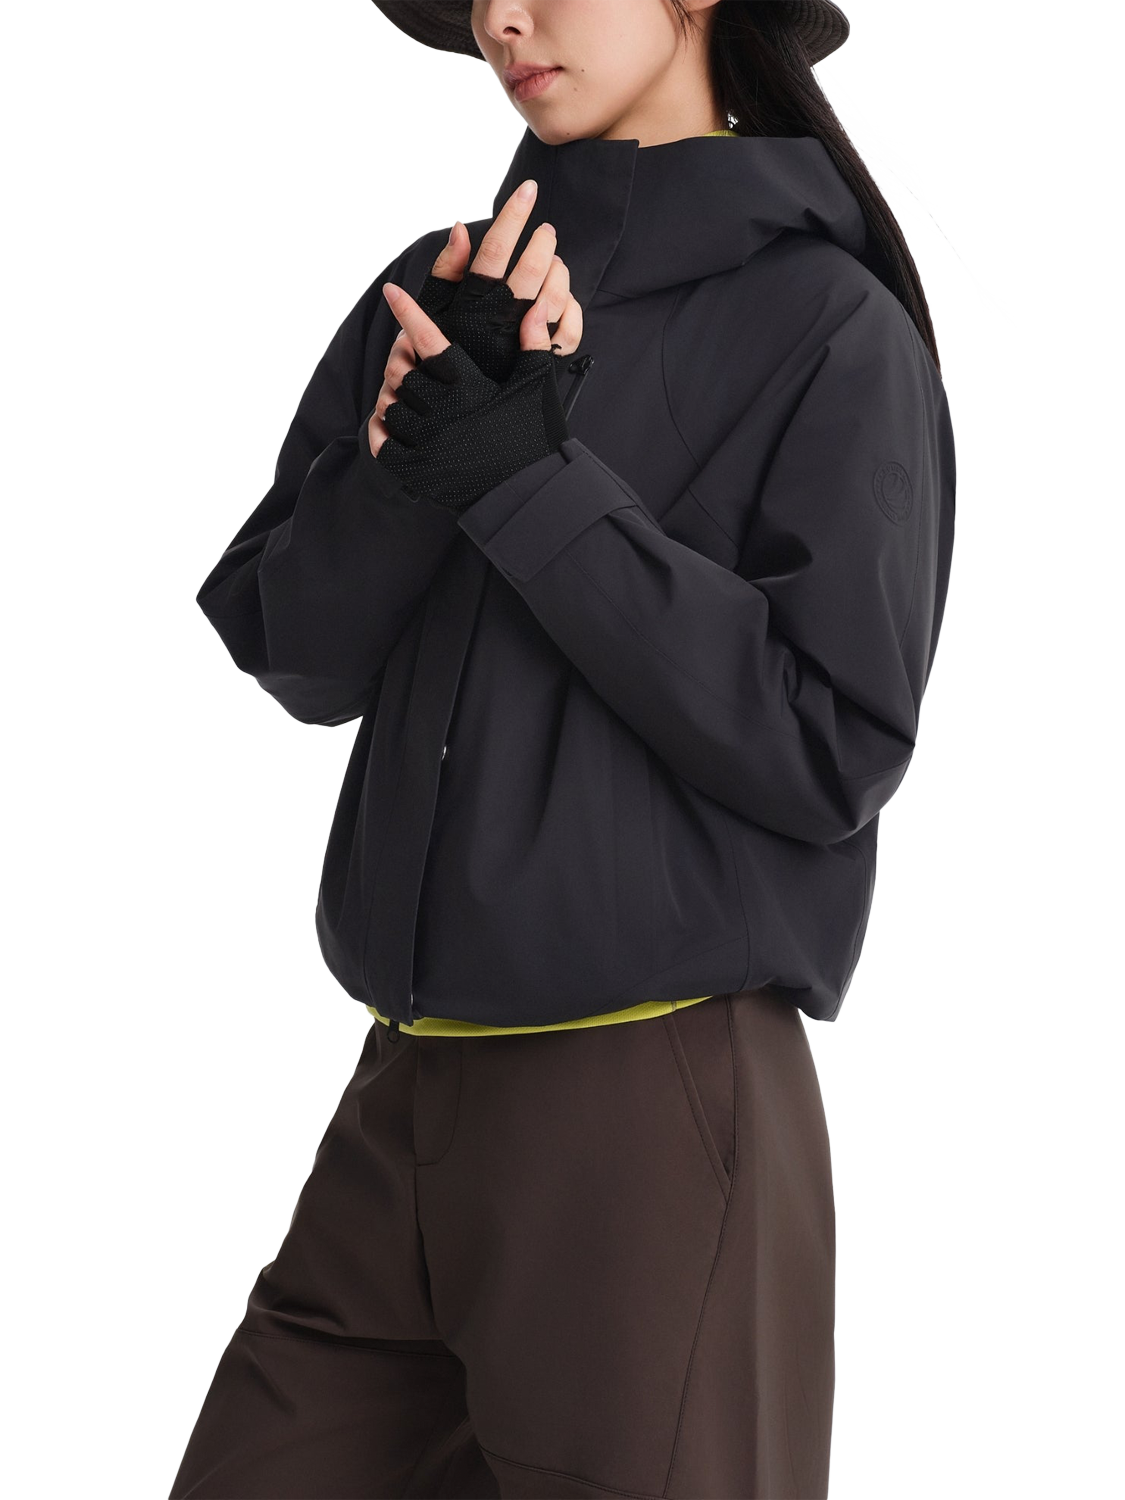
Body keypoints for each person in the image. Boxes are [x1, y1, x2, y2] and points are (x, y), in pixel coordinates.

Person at [170, 1, 956, 1495]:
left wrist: (531, 481)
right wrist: (408, 471)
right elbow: (296, 653)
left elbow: (829, 749)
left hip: (646, 1111)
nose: (499, 18)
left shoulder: (827, 327)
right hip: (402, 1097)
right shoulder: (436, 294)